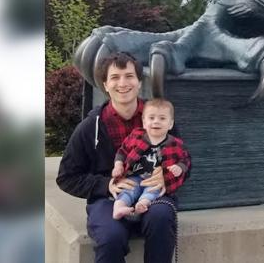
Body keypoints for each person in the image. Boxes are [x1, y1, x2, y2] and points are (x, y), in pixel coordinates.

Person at [56, 52, 190, 263]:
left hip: (153, 194)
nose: (123, 83)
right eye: (115, 77)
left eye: (129, 76)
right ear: (105, 85)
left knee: (161, 218)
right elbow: (66, 177)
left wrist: (167, 178)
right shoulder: (90, 128)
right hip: (108, 199)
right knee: (110, 237)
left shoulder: (159, 118)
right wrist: (106, 185)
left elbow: (185, 163)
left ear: (139, 82)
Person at [111, 98, 189, 220]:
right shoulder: (136, 136)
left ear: (170, 124)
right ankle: (119, 207)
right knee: (128, 191)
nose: (156, 122)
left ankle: (142, 204)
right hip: (133, 176)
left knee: (153, 191)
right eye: (151, 118)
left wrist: (179, 167)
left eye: (162, 118)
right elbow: (122, 151)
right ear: (144, 122)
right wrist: (118, 165)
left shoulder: (175, 144)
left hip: (155, 180)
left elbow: (185, 159)